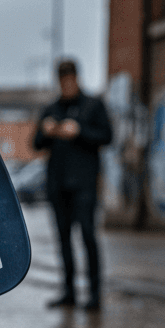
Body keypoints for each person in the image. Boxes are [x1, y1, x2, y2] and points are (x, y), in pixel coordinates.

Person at [33, 58, 113, 311]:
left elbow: (108, 136)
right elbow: (35, 144)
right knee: (63, 239)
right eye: (62, 79)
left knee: (88, 236)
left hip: (85, 185)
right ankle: (68, 292)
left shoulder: (93, 106)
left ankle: (94, 294)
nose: (66, 83)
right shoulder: (51, 109)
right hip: (58, 186)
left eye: (69, 79)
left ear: (76, 78)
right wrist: (45, 131)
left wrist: (79, 131)